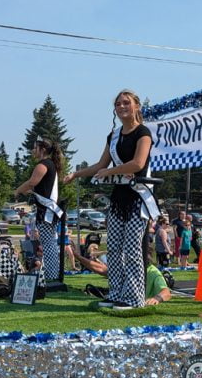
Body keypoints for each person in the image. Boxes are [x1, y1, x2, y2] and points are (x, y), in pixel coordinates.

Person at [64, 89, 155, 310]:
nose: (122, 107)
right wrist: (76, 174)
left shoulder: (143, 133)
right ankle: (116, 293)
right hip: (118, 198)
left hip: (138, 198)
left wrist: (110, 172)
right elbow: (100, 165)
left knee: (132, 249)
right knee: (113, 247)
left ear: (136, 107)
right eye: (118, 104)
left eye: (126, 103)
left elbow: (138, 163)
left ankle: (134, 298)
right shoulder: (113, 136)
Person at [14, 136, 64, 281]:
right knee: (49, 243)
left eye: (35, 147)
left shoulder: (43, 164)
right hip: (48, 209)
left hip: (47, 211)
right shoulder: (50, 164)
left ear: (42, 149)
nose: (32, 150)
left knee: (48, 244)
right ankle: (52, 273)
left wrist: (17, 190)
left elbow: (32, 182)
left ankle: (52, 275)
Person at [70, 241, 171, 307]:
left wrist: (156, 298)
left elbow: (166, 292)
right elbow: (101, 269)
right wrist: (78, 256)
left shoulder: (153, 272)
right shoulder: (126, 267)